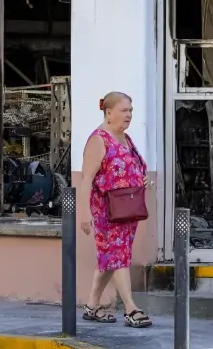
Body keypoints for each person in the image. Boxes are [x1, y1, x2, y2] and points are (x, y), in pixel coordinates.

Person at [78, 91, 153, 328]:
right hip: (106, 212)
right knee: (118, 258)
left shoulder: (126, 139)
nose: (129, 115)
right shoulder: (98, 140)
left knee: (110, 260)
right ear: (109, 113)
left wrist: (142, 180)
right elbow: (86, 179)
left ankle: (91, 306)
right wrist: (84, 213)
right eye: (124, 110)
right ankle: (131, 308)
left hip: (127, 211)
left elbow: (131, 169)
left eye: (131, 110)